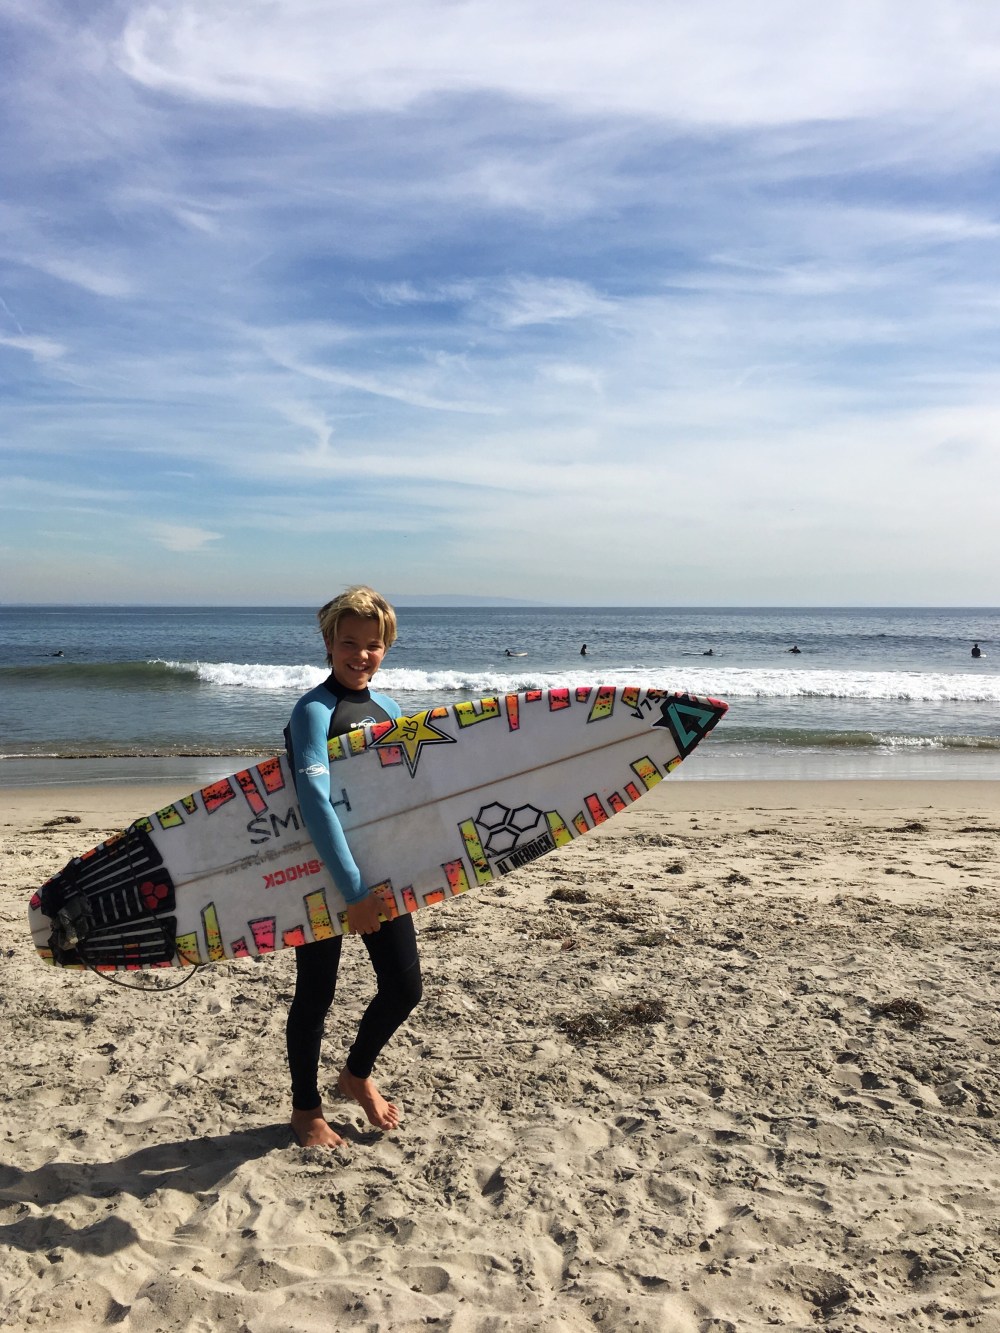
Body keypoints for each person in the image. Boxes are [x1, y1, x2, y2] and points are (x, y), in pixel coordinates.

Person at [283, 585, 422, 1149]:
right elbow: (315, 803)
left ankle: (356, 1073)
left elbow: (409, 794)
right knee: (316, 994)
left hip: (379, 876)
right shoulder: (312, 711)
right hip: (320, 874)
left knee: (404, 987)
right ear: (328, 643)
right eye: (349, 642)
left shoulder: (389, 710)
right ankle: (305, 1110)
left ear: (386, 647)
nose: (361, 654)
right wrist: (353, 891)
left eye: (373, 644)